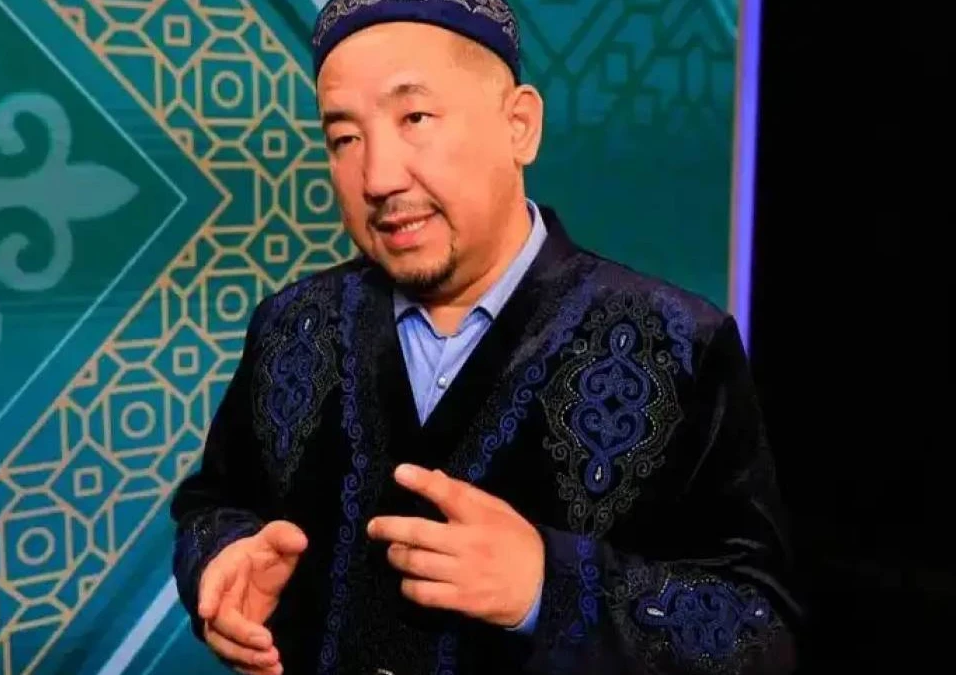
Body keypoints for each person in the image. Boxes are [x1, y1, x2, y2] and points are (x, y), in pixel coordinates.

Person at [169, 0, 801, 673]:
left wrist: (548, 588)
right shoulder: (294, 326)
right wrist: (220, 561)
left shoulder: (674, 347)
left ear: (519, 126)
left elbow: (760, 634)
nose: (378, 177)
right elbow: (214, 503)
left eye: (415, 118)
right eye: (344, 138)